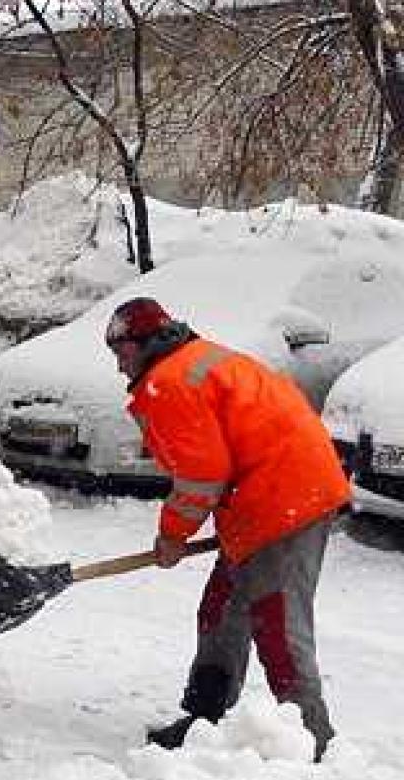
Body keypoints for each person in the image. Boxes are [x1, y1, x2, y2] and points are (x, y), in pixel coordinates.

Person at [104, 297, 350, 763]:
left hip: (284, 500)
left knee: (276, 624)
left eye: (122, 354)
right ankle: (205, 721)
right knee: (221, 611)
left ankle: (313, 744)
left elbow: (201, 476)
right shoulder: (193, 360)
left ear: (146, 344)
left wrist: (172, 535)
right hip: (267, 494)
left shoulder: (172, 382)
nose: (119, 367)